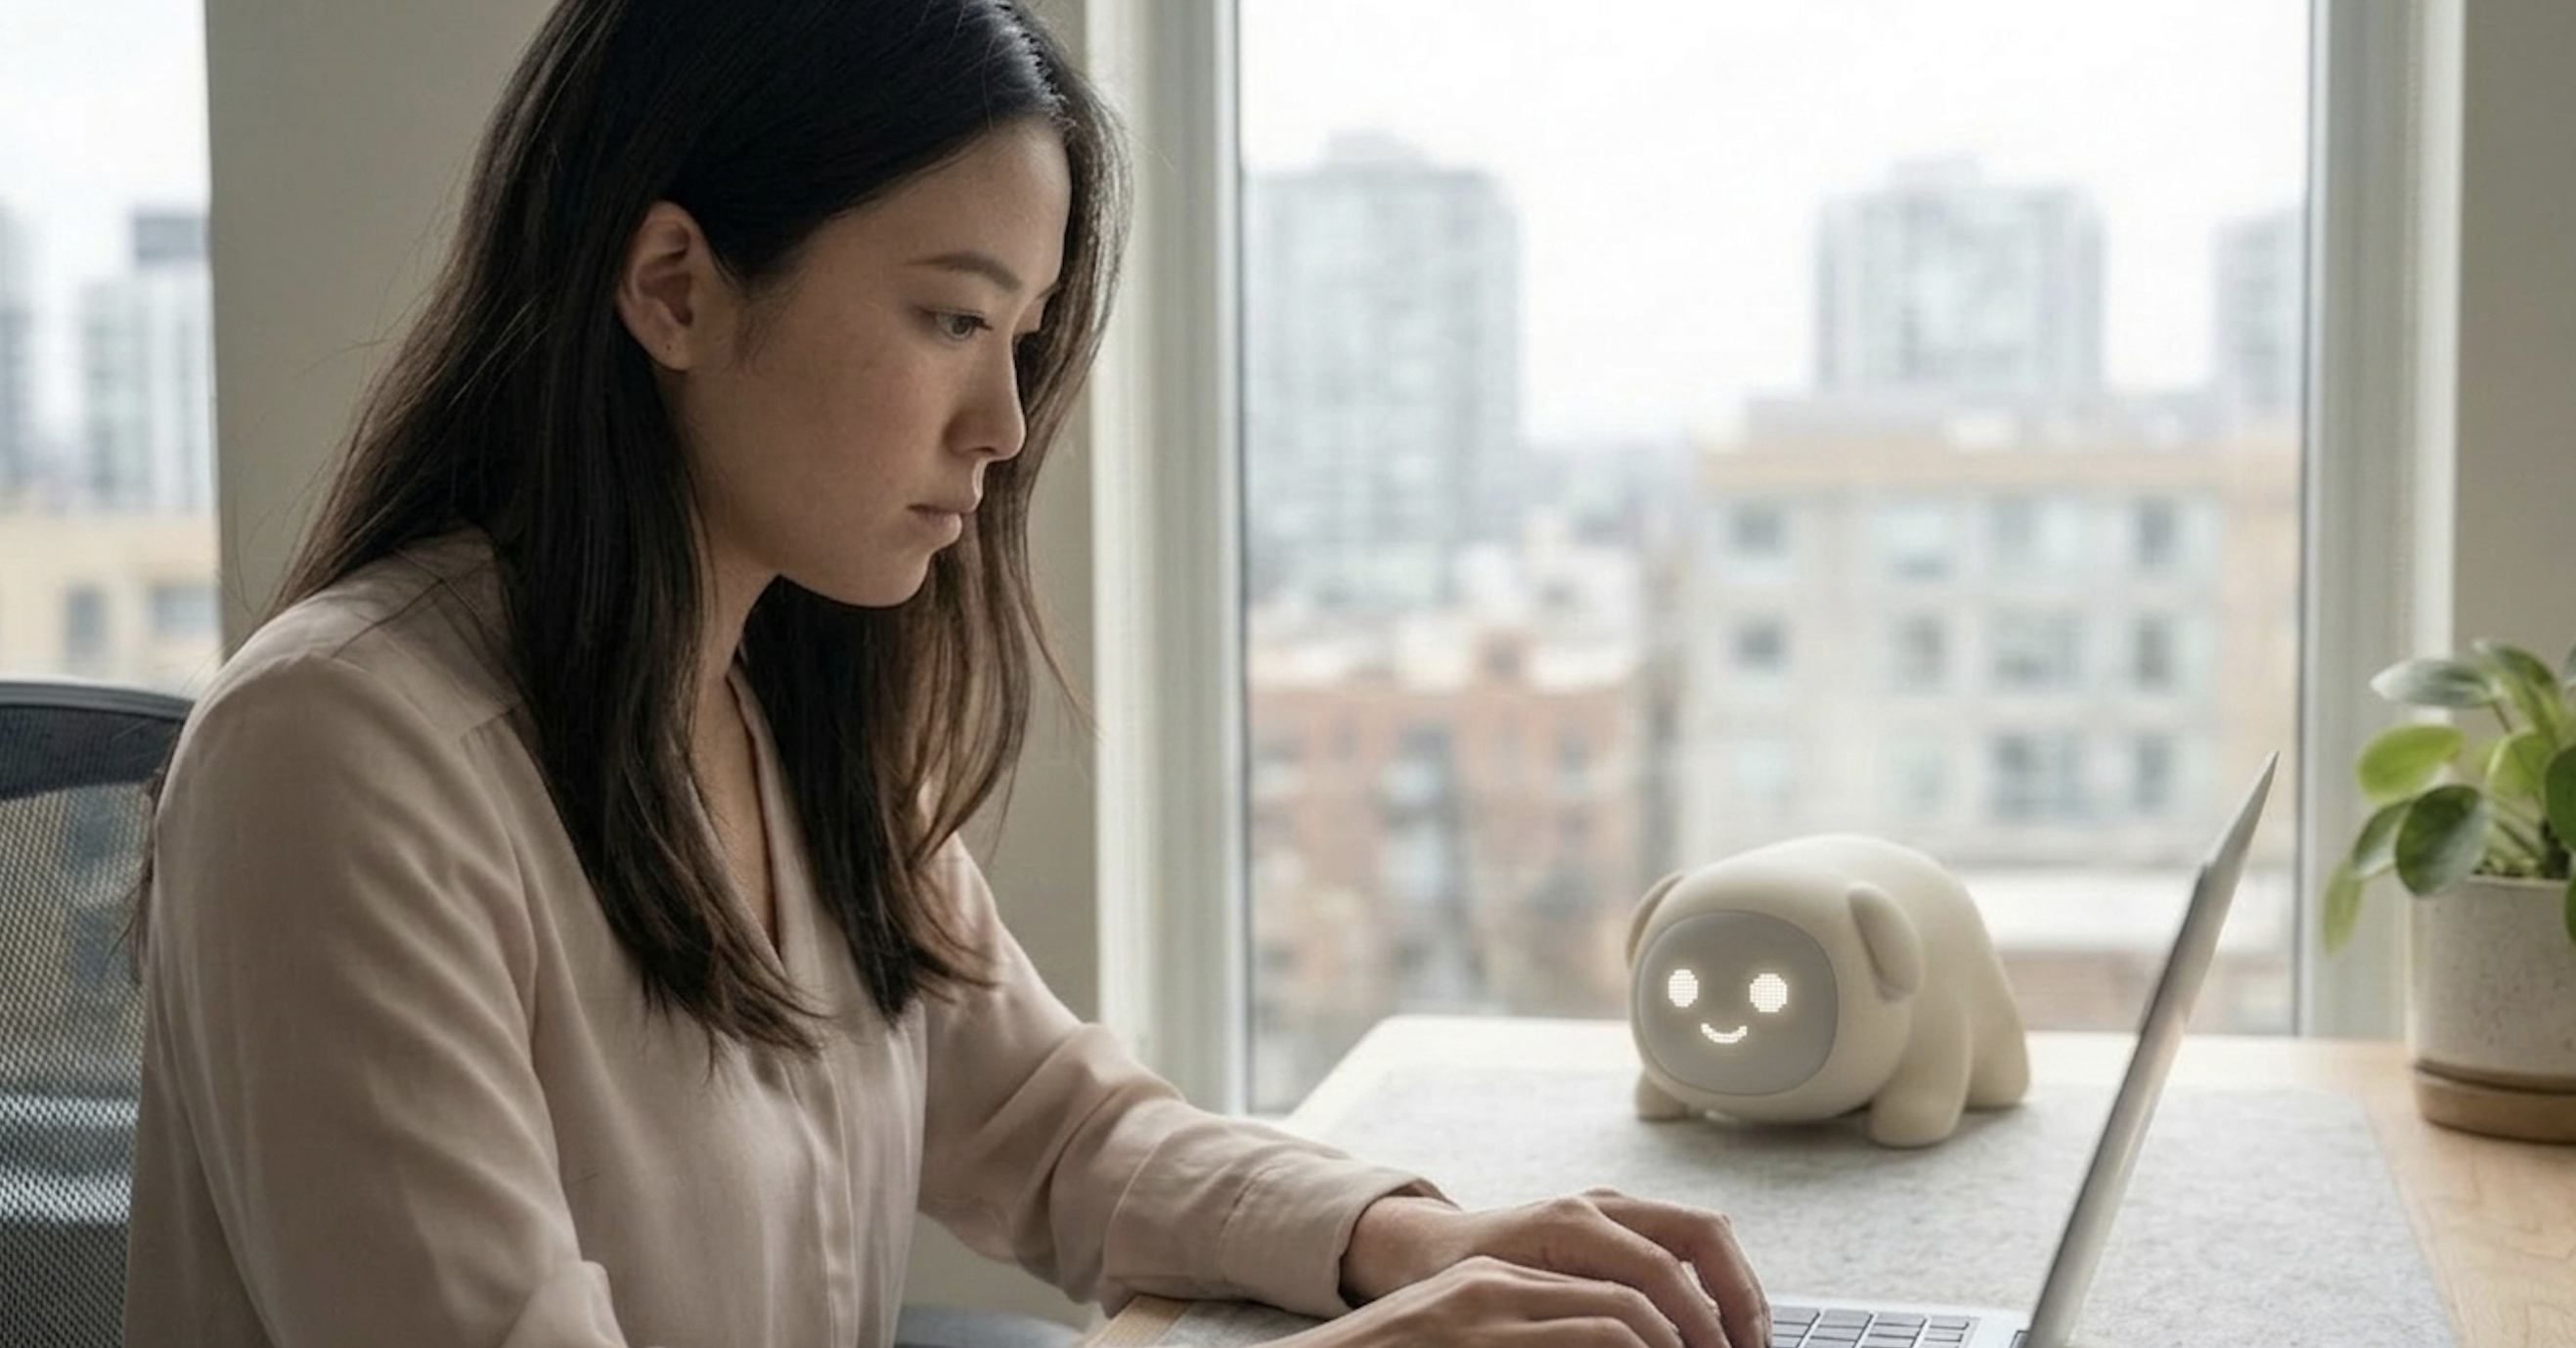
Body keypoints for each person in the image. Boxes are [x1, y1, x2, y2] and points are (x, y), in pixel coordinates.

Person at [122, 2, 1769, 1345]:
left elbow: (1053, 1126)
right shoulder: (338, 756)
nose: (999, 425)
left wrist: (1406, 1235)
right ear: (673, 286)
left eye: (1023, 339)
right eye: (948, 321)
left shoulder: (781, 704)